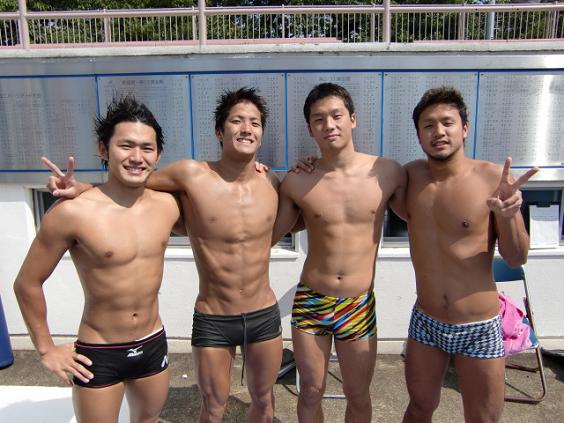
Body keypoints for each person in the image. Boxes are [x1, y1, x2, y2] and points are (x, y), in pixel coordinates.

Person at [46, 87, 283, 423]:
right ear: (219, 131)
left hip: (263, 314)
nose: (246, 128)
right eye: (237, 121)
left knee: (265, 400)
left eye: (255, 123)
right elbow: (133, 182)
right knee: (213, 407)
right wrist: (84, 189)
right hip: (214, 317)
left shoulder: (271, 181)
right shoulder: (190, 174)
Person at [13, 96, 183, 423]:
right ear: (104, 149)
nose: (137, 157)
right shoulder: (72, 212)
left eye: (146, 148)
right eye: (126, 146)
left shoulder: (168, 206)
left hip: (152, 343)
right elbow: (27, 283)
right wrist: (46, 349)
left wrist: (255, 170)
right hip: (100, 351)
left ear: (158, 155)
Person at [402, 86, 538, 423]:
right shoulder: (410, 178)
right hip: (427, 321)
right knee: (418, 408)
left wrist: (509, 216)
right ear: (418, 135)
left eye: (447, 122)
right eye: (428, 125)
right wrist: (312, 163)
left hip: (479, 325)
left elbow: (516, 257)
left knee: (482, 418)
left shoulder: (492, 178)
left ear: (464, 128)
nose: (438, 131)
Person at [272, 83, 407, 423]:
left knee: (358, 394)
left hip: (357, 303)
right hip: (311, 300)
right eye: (319, 119)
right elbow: (270, 233)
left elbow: (423, 217)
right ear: (310, 129)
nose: (329, 125)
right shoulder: (298, 181)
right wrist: (260, 176)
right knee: (310, 391)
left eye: (336, 116)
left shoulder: (387, 172)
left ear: (353, 119)